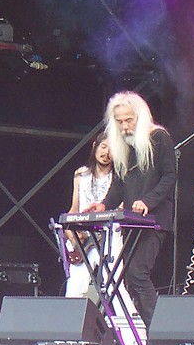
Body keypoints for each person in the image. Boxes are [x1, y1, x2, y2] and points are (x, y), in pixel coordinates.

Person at [84, 91, 176, 329]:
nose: (124, 126)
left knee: (137, 274)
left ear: (140, 116)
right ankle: (148, 332)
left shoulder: (159, 138)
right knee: (128, 280)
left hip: (154, 219)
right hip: (131, 221)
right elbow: (119, 185)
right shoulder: (122, 146)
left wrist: (148, 201)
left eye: (129, 120)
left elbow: (169, 177)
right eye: (120, 122)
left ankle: (160, 334)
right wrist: (104, 205)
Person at [64, 133, 136, 315]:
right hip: (83, 238)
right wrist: (71, 235)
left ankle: (132, 334)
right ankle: (67, 337)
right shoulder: (81, 174)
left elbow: (120, 208)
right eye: (103, 147)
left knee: (114, 284)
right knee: (75, 288)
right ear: (95, 146)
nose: (107, 152)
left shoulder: (119, 177)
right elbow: (75, 208)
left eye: (112, 149)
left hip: (109, 234)